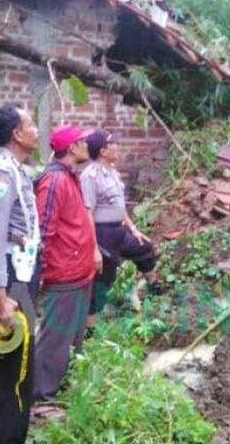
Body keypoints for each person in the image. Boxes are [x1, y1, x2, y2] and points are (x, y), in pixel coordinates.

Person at [0, 104, 40, 443]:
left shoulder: (17, 170)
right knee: (17, 362)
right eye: (31, 124)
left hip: (22, 271)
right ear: (17, 134)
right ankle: (7, 434)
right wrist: (0, 297)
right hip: (12, 277)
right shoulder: (2, 173)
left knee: (5, 356)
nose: (36, 130)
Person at [32, 125, 100, 418]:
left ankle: (61, 388)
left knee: (72, 336)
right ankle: (41, 399)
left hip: (78, 271)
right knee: (55, 337)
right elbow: (44, 231)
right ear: (72, 148)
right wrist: (43, 272)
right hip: (63, 272)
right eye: (83, 141)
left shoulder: (70, 177)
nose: (87, 144)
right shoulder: (54, 181)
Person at [80, 129, 161, 329]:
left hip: (119, 229)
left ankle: (156, 291)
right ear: (103, 151)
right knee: (102, 281)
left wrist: (133, 228)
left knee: (144, 248)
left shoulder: (113, 172)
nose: (118, 147)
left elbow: (119, 206)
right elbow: (87, 212)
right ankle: (89, 333)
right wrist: (93, 248)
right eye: (113, 144)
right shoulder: (89, 176)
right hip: (103, 233)